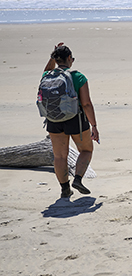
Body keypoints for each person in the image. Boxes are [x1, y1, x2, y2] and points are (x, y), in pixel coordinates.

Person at [42, 43, 99, 199]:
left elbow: (46, 70)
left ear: (55, 59)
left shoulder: (47, 76)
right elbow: (86, 104)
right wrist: (94, 126)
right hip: (76, 120)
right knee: (86, 150)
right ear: (69, 59)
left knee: (60, 156)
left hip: (53, 118)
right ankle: (78, 179)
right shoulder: (78, 77)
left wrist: (52, 56)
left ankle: (65, 189)